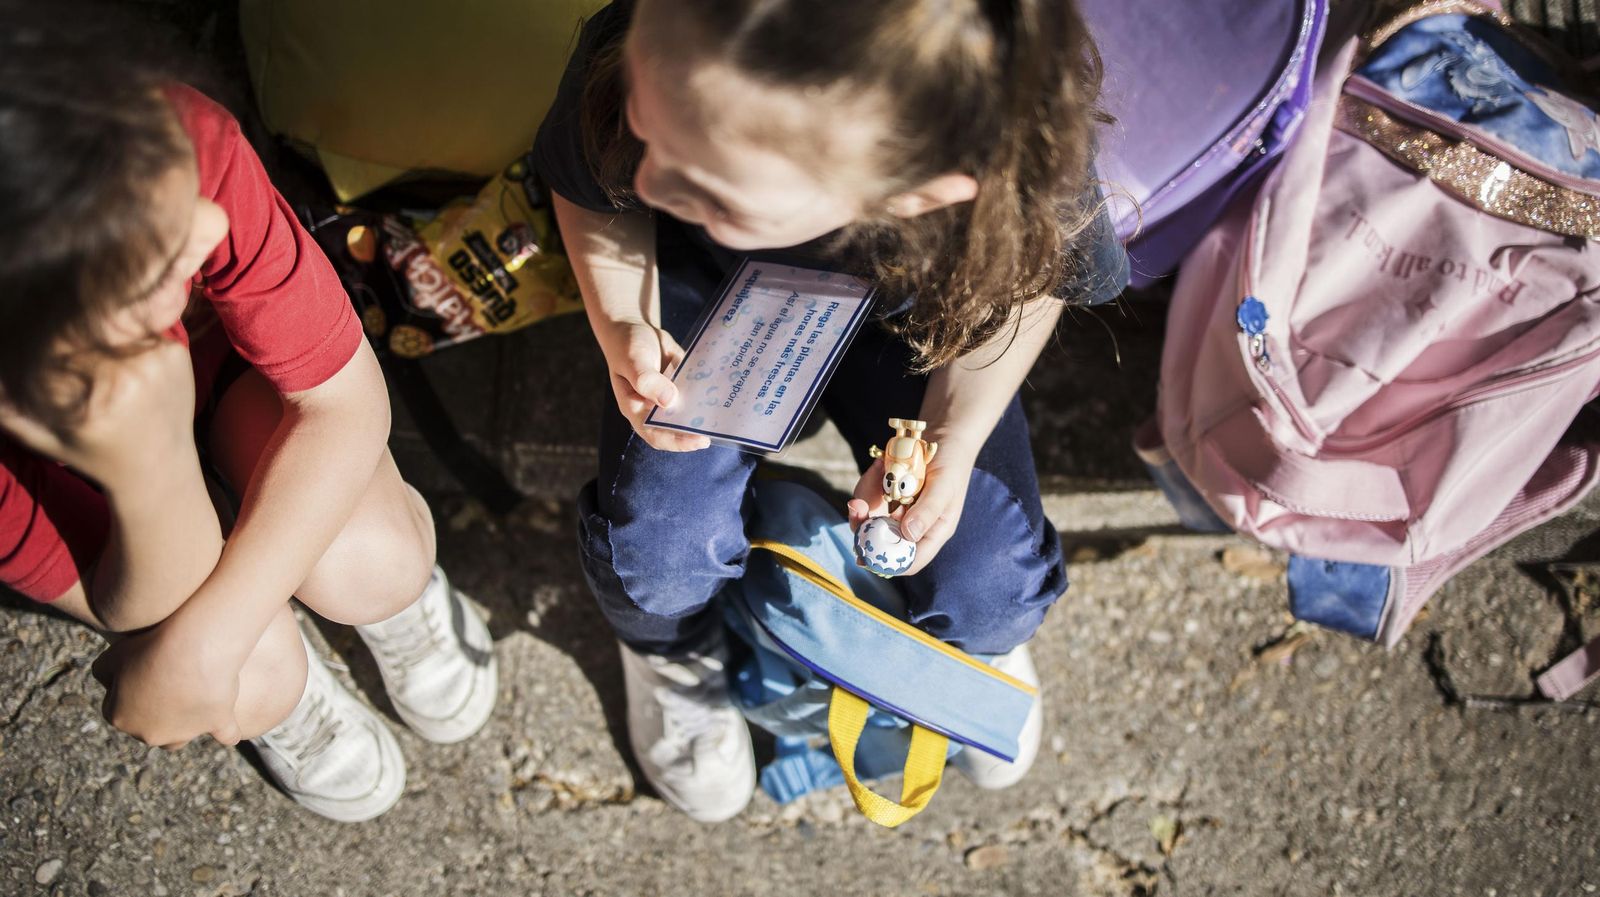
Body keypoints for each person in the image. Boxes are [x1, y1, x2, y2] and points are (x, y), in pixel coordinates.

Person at [534, 0, 1128, 821]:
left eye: (712, 187)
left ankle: (968, 647)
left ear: (920, 190)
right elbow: (589, 182)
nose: (650, 183)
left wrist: (955, 436)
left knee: (991, 580)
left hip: (916, 323)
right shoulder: (682, 33)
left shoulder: (1007, 139)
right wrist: (620, 319)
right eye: (646, 124)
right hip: (710, 288)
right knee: (662, 551)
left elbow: (1037, 282)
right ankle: (670, 652)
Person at [0, 6, 498, 822]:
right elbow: (108, 595)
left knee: (370, 568)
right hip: (91, 459)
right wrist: (148, 465)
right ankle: (281, 675)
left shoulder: (166, 139)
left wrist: (205, 645)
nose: (204, 226)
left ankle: (383, 602)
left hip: (233, 376)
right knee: (254, 681)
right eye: (153, 257)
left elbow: (343, 400)